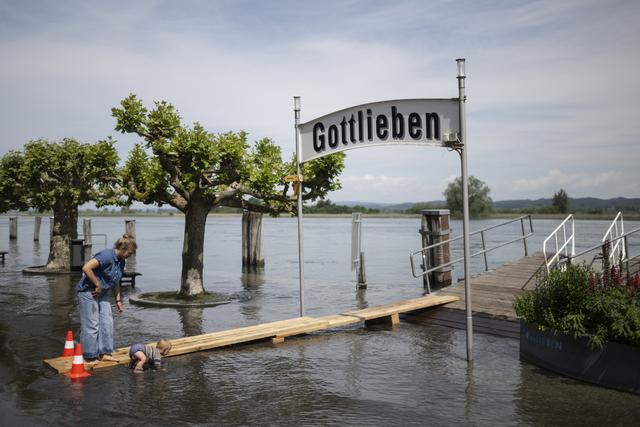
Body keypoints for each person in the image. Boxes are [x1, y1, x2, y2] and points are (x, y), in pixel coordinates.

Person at [75, 234, 137, 362]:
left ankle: (104, 352)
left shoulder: (121, 261)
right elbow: (86, 267)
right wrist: (97, 284)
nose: (130, 256)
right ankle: (89, 355)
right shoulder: (107, 256)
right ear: (123, 248)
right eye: (130, 253)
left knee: (107, 322)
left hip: (102, 293)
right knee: (92, 324)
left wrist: (118, 300)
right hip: (88, 291)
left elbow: (116, 280)